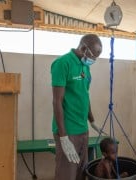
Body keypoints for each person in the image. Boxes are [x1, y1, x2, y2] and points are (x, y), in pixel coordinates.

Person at [51, 34, 103, 180]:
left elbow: (85, 95)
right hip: (68, 131)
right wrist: (63, 137)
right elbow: (57, 101)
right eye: (94, 56)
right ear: (83, 48)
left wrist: (92, 121)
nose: (94, 60)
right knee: (66, 174)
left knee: (81, 173)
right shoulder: (62, 63)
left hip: (83, 129)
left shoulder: (86, 67)